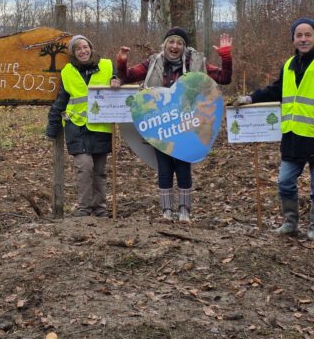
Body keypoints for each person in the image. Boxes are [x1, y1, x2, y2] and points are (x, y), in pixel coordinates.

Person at [234, 18, 314, 242]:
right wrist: (251, 98)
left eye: (308, 35)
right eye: (299, 35)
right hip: (293, 137)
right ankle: (290, 224)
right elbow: (276, 90)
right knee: (285, 182)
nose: (303, 39)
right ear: (293, 39)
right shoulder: (289, 65)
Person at [117, 27, 232, 221]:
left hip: (188, 123)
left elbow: (224, 78)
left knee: (183, 164)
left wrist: (226, 57)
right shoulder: (153, 63)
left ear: (184, 47)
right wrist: (121, 62)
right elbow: (127, 76)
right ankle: (166, 211)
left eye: (179, 43)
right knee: (164, 167)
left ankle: (184, 211)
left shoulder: (197, 62)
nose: (175, 46)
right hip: (161, 124)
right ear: (165, 44)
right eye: (171, 42)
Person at [46, 35, 120, 218]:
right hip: (77, 128)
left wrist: (116, 81)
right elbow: (60, 101)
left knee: (99, 171)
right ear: (73, 53)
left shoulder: (106, 66)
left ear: (91, 48)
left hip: (101, 128)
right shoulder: (68, 72)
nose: (83, 51)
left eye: (85, 47)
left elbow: (119, 83)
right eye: (78, 49)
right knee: (85, 168)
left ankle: (100, 208)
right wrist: (52, 127)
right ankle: (84, 208)